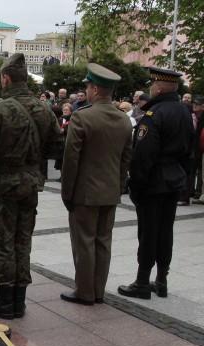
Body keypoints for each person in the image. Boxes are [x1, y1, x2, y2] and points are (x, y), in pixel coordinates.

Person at [0, 53, 62, 319]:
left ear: (6, 78)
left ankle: (5, 300)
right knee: (23, 241)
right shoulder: (44, 109)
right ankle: (19, 300)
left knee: (2, 243)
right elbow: (57, 146)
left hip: (3, 188)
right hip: (30, 185)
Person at [118, 67, 194, 299]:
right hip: (173, 179)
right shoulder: (183, 111)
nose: (151, 88)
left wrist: (136, 184)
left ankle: (142, 281)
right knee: (164, 231)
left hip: (153, 181)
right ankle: (161, 280)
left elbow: (143, 155)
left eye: (152, 85)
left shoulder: (154, 114)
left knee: (148, 232)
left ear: (159, 88)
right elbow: (188, 150)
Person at [60, 63, 132, 306]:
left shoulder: (83, 117)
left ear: (95, 89)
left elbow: (71, 160)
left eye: (88, 87)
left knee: (84, 242)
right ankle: (98, 291)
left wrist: (67, 193)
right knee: (103, 241)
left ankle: (84, 292)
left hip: (85, 193)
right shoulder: (123, 120)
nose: (87, 91)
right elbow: (125, 159)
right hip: (110, 192)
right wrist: (119, 186)